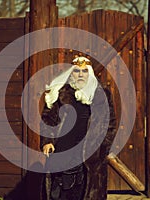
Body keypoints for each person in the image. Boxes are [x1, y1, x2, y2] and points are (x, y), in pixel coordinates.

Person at [40, 56, 116, 200]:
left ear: (90, 74)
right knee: (60, 193)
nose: (81, 74)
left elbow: (110, 124)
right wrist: (47, 141)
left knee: (86, 192)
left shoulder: (101, 95)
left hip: (89, 154)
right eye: (76, 71)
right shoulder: (60, 93)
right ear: (71, 73)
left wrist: (102, 149)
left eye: (84, 71)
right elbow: (48, 119)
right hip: (63, 151)